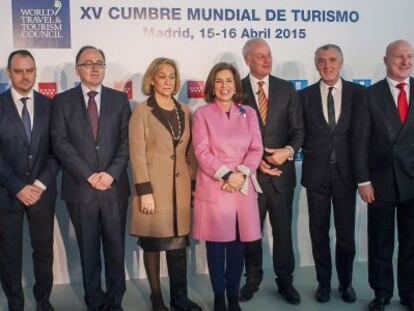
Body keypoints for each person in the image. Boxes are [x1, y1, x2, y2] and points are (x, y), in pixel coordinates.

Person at [51, 46, 130, 311]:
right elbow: (60, 143)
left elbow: (126, 143)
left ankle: (115, 301)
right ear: (77, 69)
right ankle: (94, 301)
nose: (95, 68)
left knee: (116, 249)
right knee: (88, 250)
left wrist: (110, 174)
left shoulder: (120, 100)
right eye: (88, 63)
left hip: (114, 187)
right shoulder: (62, 101)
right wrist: (88, 175)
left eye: (100, 63)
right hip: (80, 188)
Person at [129, 57, 202, 311]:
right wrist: (144, 191)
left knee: (177, 245)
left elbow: (189, 153)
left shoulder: (184, 111)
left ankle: (179, 299)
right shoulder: (142, 110)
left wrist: (193, 185)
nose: (168, 81)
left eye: (172, 76)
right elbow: (136, 153)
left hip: (179, 190)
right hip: (153, 190)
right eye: (162, 76)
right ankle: (156, 296)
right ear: (152, 79)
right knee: (153, 243)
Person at [192, 62, 263, 311]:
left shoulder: (249, 113)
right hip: (216, 185)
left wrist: (241, 174)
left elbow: (256, 149)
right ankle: (219, 296)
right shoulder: (202, 114)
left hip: (242, 187)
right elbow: (201, 151)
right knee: (216, 246)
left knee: (238, 245)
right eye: (219, 81)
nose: (224, 86)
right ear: (212, 85)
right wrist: (226, 175)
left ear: (236, 85)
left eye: (229, 81)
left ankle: (233, 295)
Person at [238, 38, 304, 304]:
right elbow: (231, 137)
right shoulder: (237, 90)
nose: (267, 60)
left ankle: (285, 281)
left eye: (269, 55)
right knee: (251, 232)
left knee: (283, 232)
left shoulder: (286, 89)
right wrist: (255, 162)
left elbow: (299, 131)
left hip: (281, 176)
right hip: (250, 177)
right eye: (260, 56)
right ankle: (252, 279)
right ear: (247, 60)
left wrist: (286, 152)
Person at [351, 39, 414, 311]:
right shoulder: (370, 95)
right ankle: (382, 294)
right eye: (398, 56)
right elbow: (359, 142)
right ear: (385, 59)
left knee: (412, 245)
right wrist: (363, 181)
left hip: (413, 182)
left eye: (410, 56)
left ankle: (410, 294)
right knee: (380, 244)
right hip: (381, 182)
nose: (405, 62)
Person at [299, 44, 363, 304]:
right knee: (319, 233)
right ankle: (323, 283)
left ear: (341, 62)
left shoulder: (359, 94)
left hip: (347, 177)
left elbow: (364, 136)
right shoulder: (304, 96)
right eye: (322, 61)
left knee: (346, 235)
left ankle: (346, 283)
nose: (328, 65)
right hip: (316, 177)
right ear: (316, 64)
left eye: (333, 60)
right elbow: (298, 133)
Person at [0, 50, 58, 311]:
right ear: (8, 73)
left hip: (41, 194)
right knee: (9, 256)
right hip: (6, 193)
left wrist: (39, 184)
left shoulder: (50, 106)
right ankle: (15, 305)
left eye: (30, 70)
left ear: (36, 71)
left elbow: (58, 152)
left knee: (44, 253)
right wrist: (18, 187)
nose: (25, 76)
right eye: (19, 71)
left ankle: (43, 302)